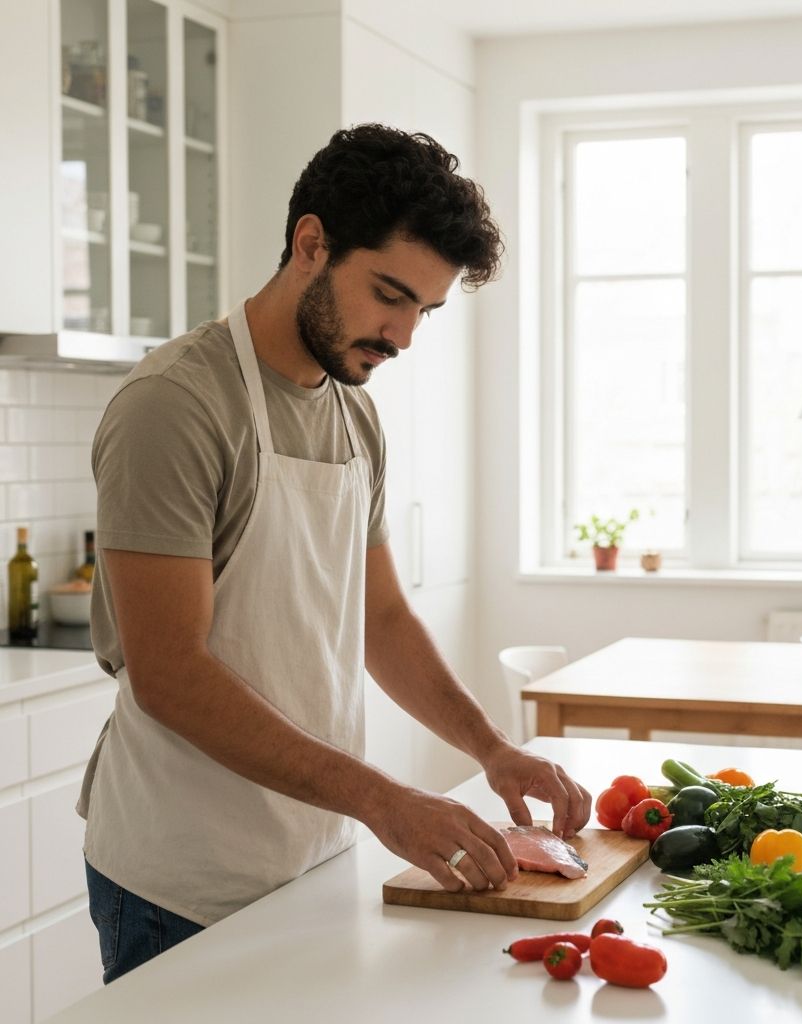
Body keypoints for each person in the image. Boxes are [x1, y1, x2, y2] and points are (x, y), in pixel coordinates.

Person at [78, 123, 591, 983]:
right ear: (311, 244)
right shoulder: (176, 405)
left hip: (311, 853)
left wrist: (491, 748)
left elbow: (380, 617)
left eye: (424, 311)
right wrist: (385, 800)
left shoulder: (354, 413)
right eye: (390, 294)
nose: (404, 336)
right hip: (181, 877)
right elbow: (169, 673)